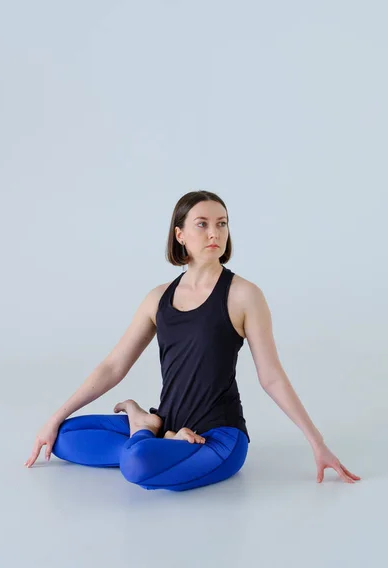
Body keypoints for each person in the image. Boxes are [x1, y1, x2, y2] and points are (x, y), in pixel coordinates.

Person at [25, 190, 361, 491]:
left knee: (136, 464)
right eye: (202, 224)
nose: (215, 232)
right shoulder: (158, 298)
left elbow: (271, 377)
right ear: (180, 234)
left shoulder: (244, 295)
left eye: (222, 224)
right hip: (169, 426)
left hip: (218, 439)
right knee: (64, 438)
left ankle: (143, 433)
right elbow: (113, 366)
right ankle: (155, 434)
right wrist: (53, 419)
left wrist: (317, 442)